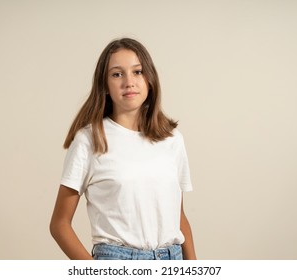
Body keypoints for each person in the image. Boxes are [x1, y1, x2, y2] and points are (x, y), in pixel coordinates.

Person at [50, 38, 196, 260]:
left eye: (137, 72)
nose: (129, 82)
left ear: (150, 79)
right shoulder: (89, 140)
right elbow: (59, 224)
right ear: (105, 85)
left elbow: (179, 217)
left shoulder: (172, 139)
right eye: (117, 74)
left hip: (171, 259)